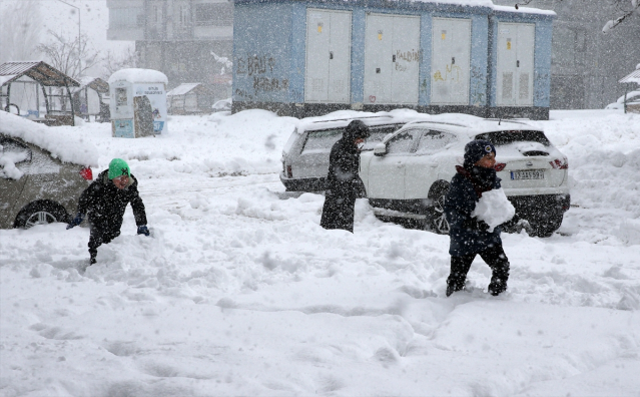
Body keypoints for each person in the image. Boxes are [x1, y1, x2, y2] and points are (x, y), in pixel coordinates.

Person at [443, 140, 510, 297]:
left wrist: (506, 216)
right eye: (488, 158)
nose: (493, 161)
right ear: (475, 160)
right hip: (464, 239)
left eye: (494, 157)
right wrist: (466, 223)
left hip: (488, 237)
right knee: (457, 276)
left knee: (502, 266)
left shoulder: (493, 180)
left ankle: (496, 297)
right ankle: (453, 299)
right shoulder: (460, 182)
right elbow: (451, 210)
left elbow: (498, 204)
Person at [67, 158, 150, 265]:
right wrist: (81, 213)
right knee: (96, 241)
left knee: (113, 241)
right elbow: (84, 198)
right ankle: (95, 264)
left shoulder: (129, 186)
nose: (124, 181)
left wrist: (141, 224)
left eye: (126, 177)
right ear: (112, 177)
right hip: (97, 215)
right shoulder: (100, 185)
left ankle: (111, 266)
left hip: (116, 217)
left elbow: (137, 204)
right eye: (120, 178)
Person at [320, 120, 370, 233]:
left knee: (345, 224)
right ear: (353, 136)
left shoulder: (350, 147)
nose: (362, 141)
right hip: (338, 193)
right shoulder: (341, 149)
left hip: (345, 193)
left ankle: (343, 238)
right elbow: (340, 173)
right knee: (335, 224)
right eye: (360, 138)